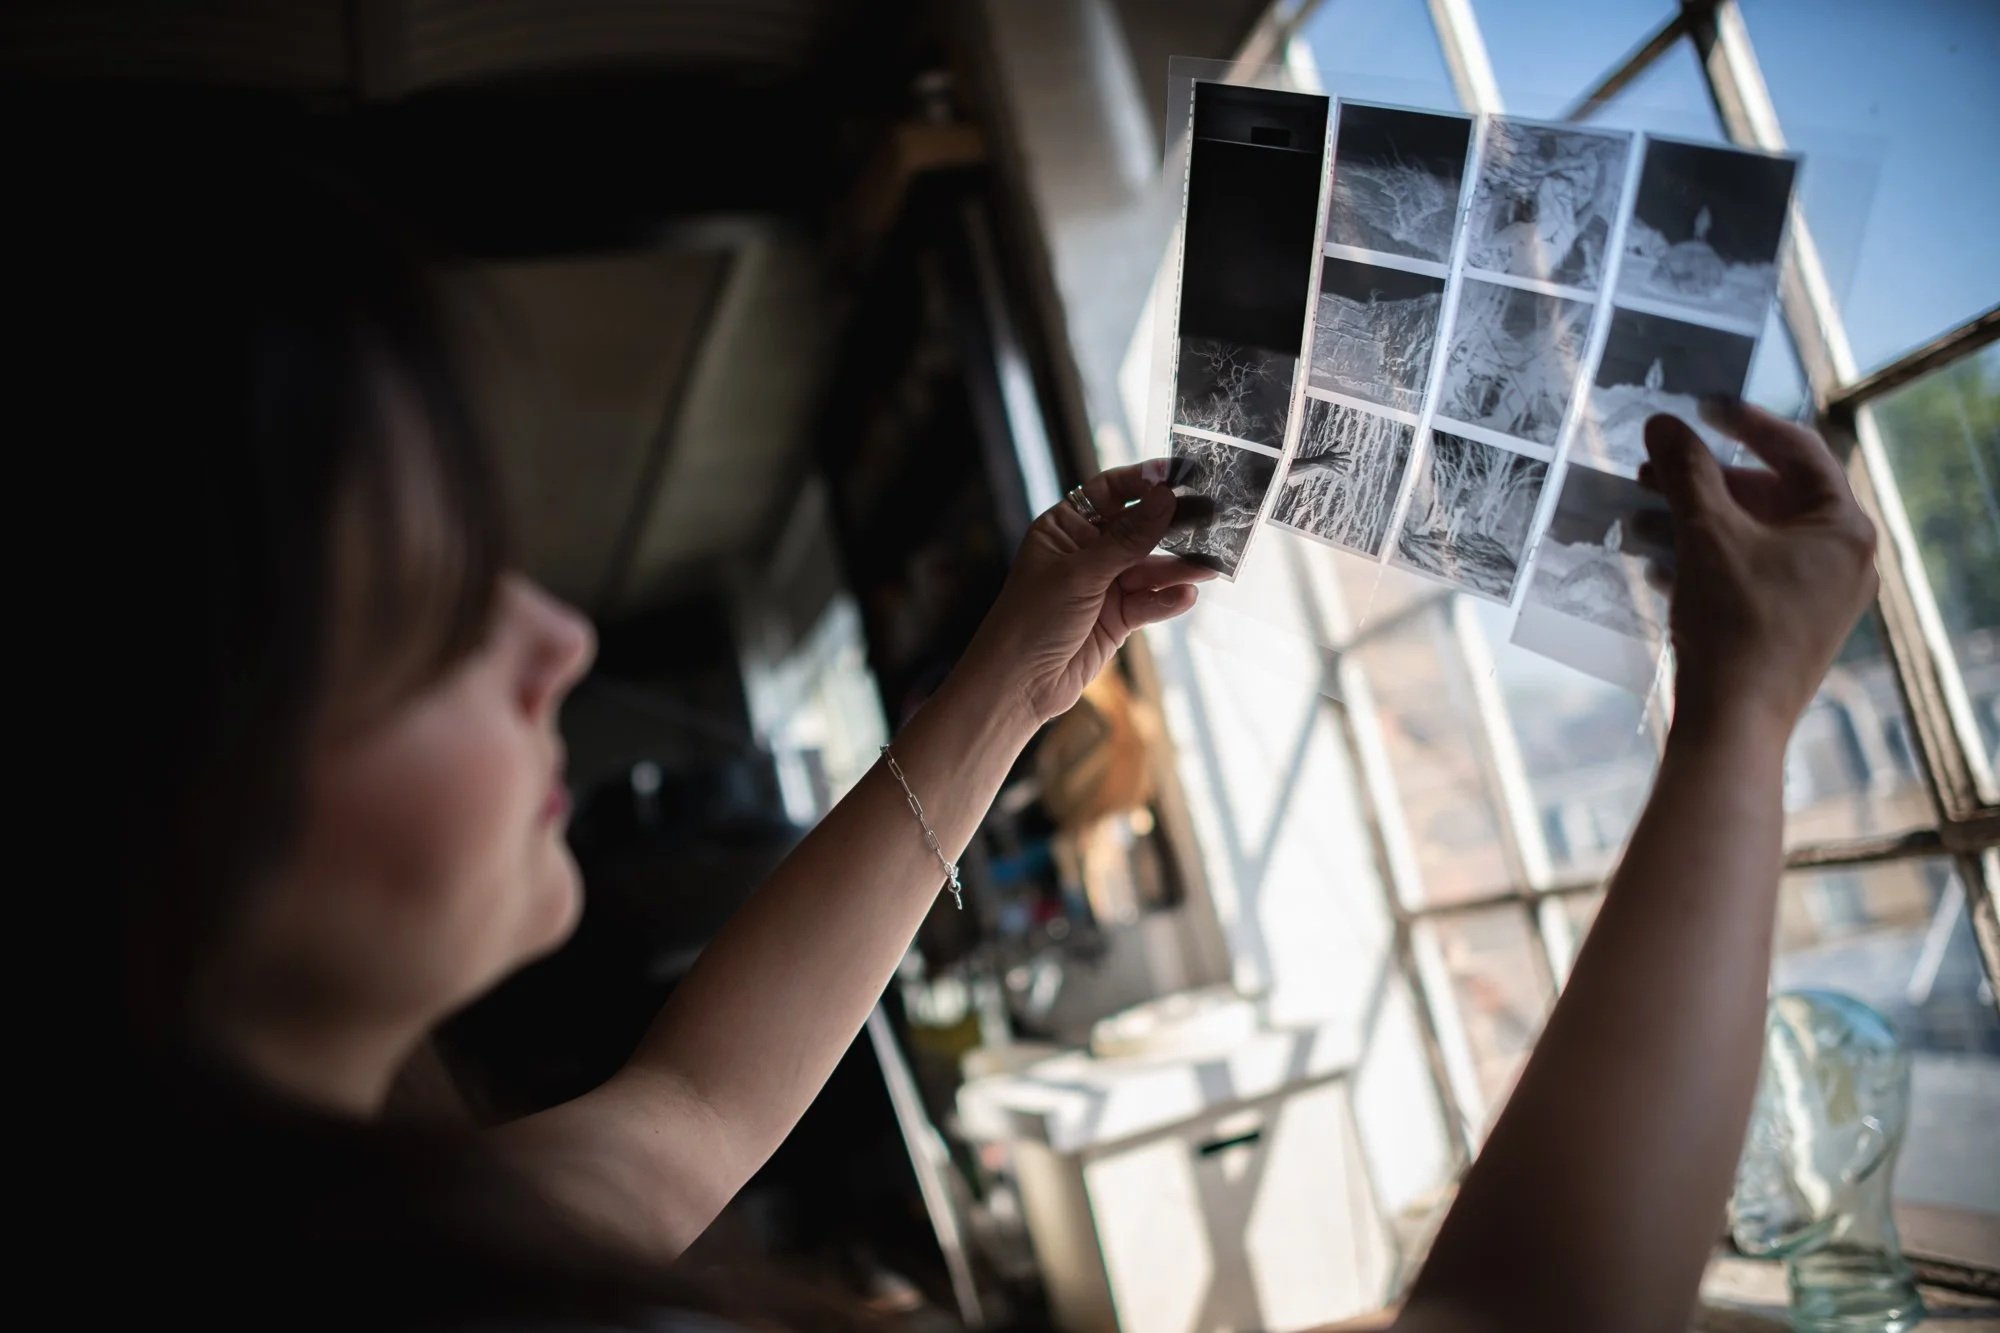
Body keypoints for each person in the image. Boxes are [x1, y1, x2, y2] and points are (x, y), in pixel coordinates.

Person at [72, 155, 1876, 1332]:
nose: (556, 640)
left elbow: (685, 1114)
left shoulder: (324, 1250)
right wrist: (1734, 726)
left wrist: (1013, 679)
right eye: (431, 606)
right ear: (158, 801)